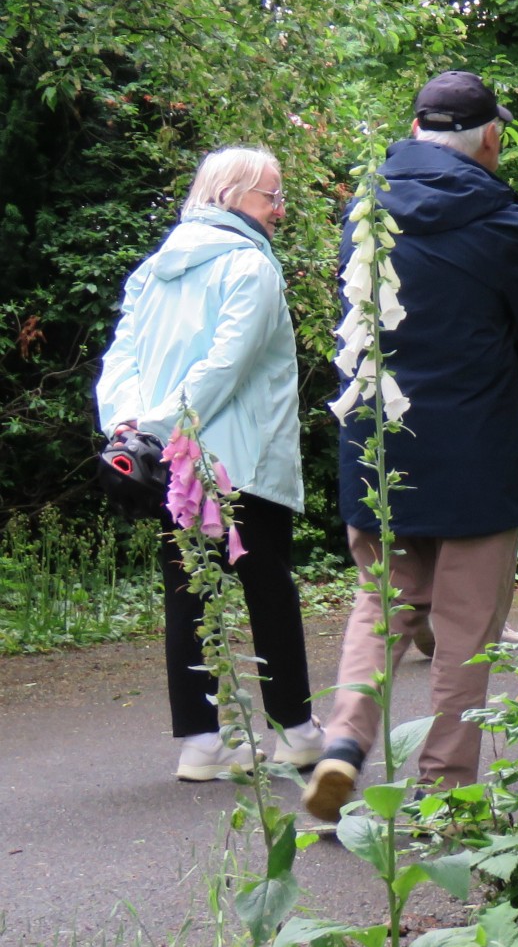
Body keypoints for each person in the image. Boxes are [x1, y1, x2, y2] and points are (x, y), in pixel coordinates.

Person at [305, 71, 518, 821]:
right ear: (489, 137)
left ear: (416, 128)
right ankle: (446, 790)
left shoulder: (365, 204)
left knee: (382, 601)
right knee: (465, 628)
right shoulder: (502, 217)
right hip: (476, 445)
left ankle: (344, 742)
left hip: (379, 437)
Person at [97, 147, 323, 782]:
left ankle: (201, 743)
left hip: (174, 458)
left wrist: (131, 426)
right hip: (242, 458)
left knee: (188, 589)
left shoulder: (154, 270)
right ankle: (298, 733)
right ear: (230, 196)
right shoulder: (250, 266)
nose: (280, 210)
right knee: (268, 585)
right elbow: (227, 365)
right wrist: (168, 423)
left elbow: (122, 360)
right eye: (270, 197)